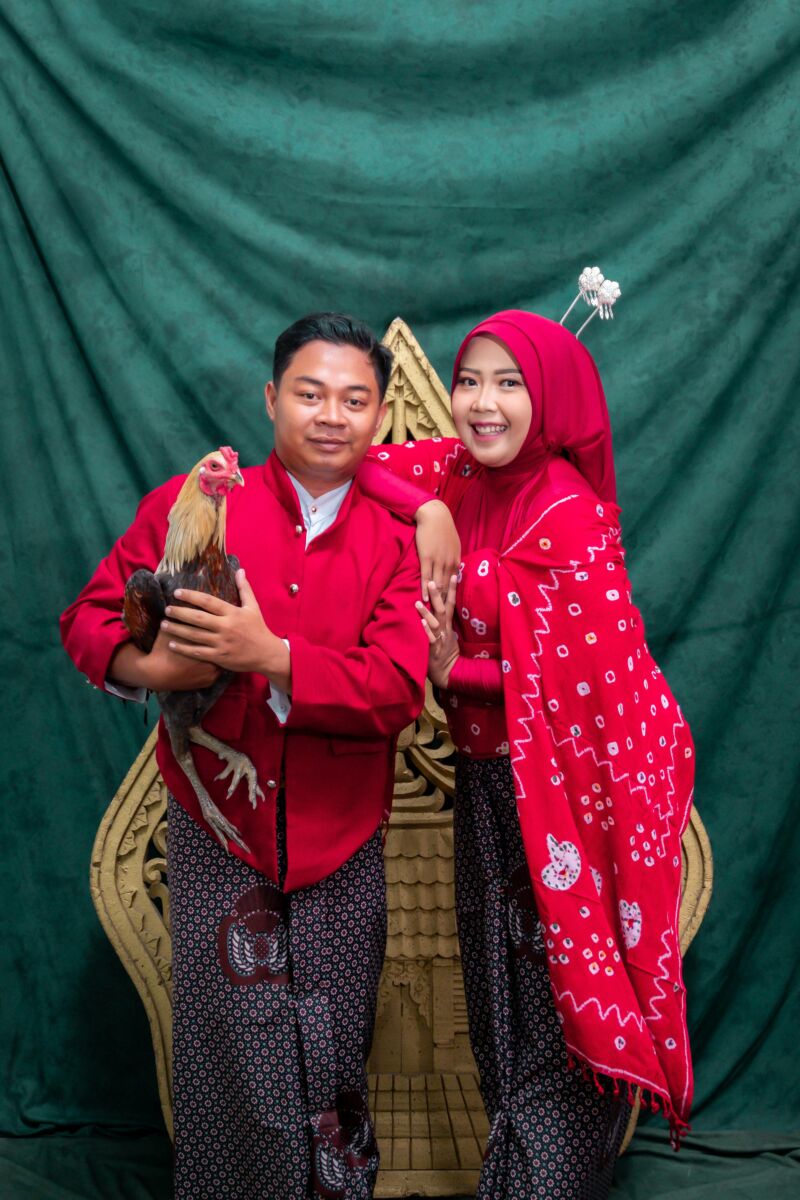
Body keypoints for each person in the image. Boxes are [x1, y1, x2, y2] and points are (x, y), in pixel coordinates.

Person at [60, 312, 460, 1200]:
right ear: (271, 398)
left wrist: (268, 653)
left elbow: (396, 689)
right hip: (217, 832)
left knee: (332, 1057)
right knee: (229, 1060)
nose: (331, 416)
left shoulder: (397, 534)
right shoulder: (196, 502)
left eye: (354, 399)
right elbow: (85, 618)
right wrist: (152, 669)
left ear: (379, 412)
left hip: (341, 836)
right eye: (310, 394)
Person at [361, 310, 695, 1199]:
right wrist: (431, 508)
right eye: (469, 380)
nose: (482, 402)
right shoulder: (457, 474)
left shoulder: (569, 515)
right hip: (488, 785)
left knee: (560, 1011)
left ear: (550, 400)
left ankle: (544, 1183)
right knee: (498, 1006)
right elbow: (354, 460)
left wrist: (451, 672)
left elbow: (580, 694)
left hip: (571, 796)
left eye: (509, 383)